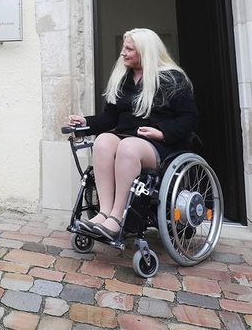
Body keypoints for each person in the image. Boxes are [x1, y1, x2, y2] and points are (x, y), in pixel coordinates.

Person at [68, 28, 198, 241]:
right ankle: (104, 214)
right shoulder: (123, 78)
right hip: (127, 139)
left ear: (145, 52)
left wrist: (162, 133)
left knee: (128, 147)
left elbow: (189, 119)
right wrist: (85, 122)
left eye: (129, 49)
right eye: (123, 48)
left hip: (160, 146)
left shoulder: (172, 79)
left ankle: (117, 219)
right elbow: (109, 118)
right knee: (103, 141)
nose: (123, 53)